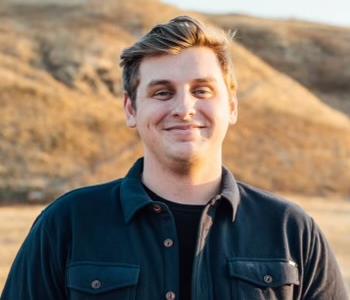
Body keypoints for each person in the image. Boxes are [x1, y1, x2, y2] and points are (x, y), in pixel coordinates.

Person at [1, 16, 348, 300]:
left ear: (231, 106)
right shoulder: (68, 224)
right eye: (163, 92)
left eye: (202, 90)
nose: (184, 109)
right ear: (131, 109)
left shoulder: (291, 231)